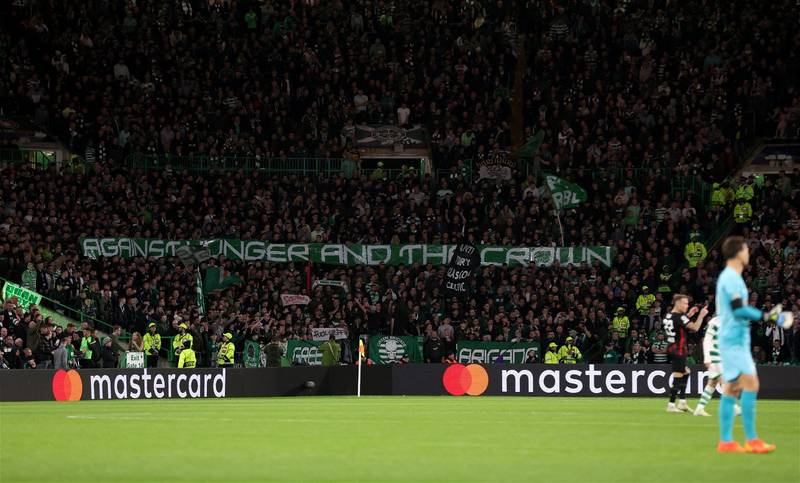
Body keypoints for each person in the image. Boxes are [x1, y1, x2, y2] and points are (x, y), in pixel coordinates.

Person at [715, 236, 793, 453]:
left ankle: (726, 441)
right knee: (751, 384)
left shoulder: (731, 277)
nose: (748, 253)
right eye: (746, 250)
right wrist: (770, 317)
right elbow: (739, 309)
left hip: (732, 338)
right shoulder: (731, 278)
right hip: (734, 341)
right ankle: (752, 439)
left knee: (731, 389)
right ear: (738, 252)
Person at [664, 294, 708, 413]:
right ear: (677, 303)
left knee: (686, 372)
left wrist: (689, 314)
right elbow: (695, 328)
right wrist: (701, 316)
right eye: (685, 303)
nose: (687, 305)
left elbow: (678, 323)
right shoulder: (679, 317)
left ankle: (682, 402)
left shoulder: (669, 315)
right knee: (678, 377)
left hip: (672, 348)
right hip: (679, 350)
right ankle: (671, 405)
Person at [694, 316, 742, 417]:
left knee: (712, 383)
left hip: (721, 357)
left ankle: (699, 408)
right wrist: (707, 357)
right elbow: (707, 339)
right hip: (714, 357)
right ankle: (733, 407)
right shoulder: (716, 321)